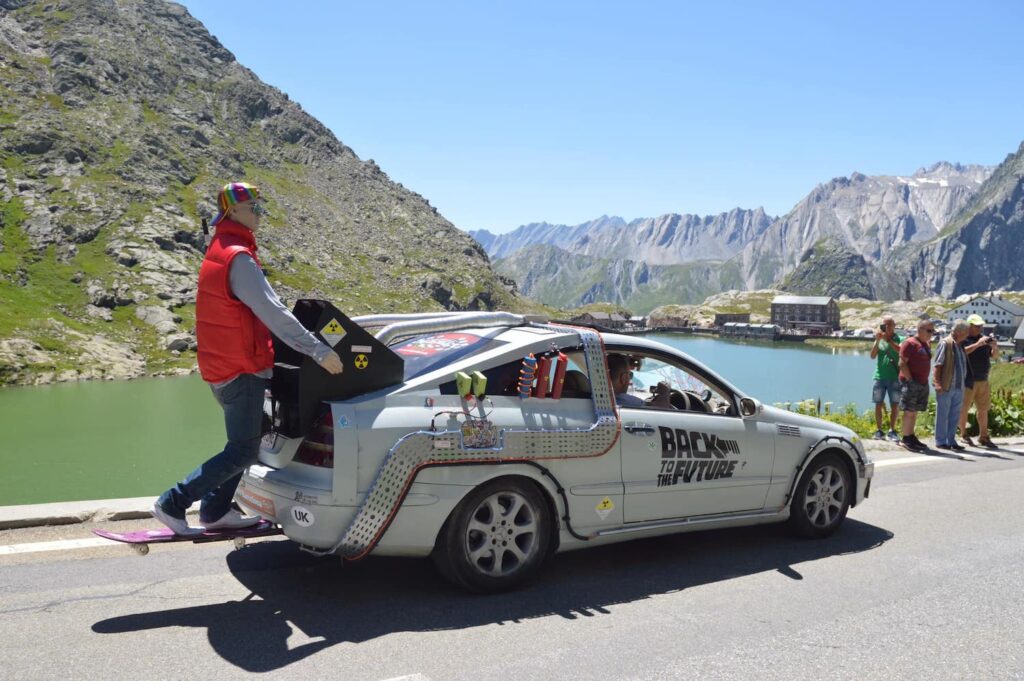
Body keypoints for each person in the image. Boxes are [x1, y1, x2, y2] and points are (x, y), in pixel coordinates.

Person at [152, 182, 345, 536]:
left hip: (222, 365)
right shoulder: (238, 257)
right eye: (254, 206)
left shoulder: (219, 249)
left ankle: (215, 510)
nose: (260, 213)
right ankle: (173, 502)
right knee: (242, 450)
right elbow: (273, 313)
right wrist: (318, 351)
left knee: (249, 439)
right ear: (233, 212)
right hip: (240, 369)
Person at [958, 313, 1000, 448]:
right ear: (969, 326)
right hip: (968, 380)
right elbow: (962, 352)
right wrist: (977, 344)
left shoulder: (984, 339)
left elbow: (994, 357)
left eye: (981, 326)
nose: (979, 328)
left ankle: (984, 436)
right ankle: (963, 434)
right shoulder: (964, 339)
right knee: (964, 408)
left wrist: (994, 347)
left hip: (983, 379)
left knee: (983, 409)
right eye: (976, 326)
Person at [897, 320, 934, 452]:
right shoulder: (910, 343)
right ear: (920, 329)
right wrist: (910, 380)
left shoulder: (924, 344)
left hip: (922, 382)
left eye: (932, 331)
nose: (931, 334)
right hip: (911, 382)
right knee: (909, 411)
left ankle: (911, 436)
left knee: (914, 411)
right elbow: (902, 363)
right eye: (929, 331)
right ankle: (905, 438)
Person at [932, 320, 968, 451]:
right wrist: (937, 383)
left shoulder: (960, 345)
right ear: (959, 332)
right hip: (947, 385)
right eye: (966, 332)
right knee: (943, 414)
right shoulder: (945, 343)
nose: (967, 335)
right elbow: (938, 364)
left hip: (959, 386)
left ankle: (951, 440)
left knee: (954, 414)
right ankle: (941, 441)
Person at [869, 316, 902, 441]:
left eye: (889, 325)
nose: (887, 327)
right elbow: (872, 356)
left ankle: (892, 430)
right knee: (878, 404)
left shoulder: (900, 338)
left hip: (894, 377)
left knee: (895, 404)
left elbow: (900, 351)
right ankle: (879, 430)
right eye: (885, 325)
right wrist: (878, 341)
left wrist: (889, 341)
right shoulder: (880, 339)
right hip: (880, 376)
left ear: (894, 325)